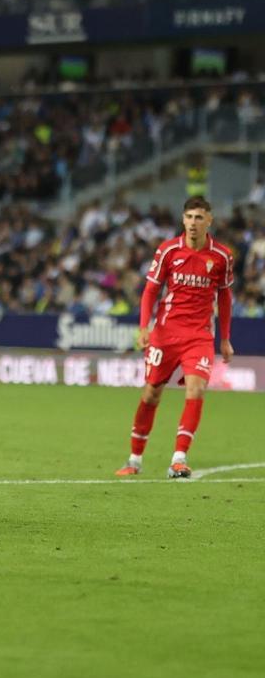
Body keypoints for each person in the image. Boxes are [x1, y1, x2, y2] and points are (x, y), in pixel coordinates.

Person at [115, 195, 235, 478]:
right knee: (151, 393)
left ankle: (179, 458)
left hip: (199, 336)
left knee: (196, 389)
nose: (193, 223)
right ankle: (134, 459)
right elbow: (150, 290)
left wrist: (225, 338)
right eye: (189, 217)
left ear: (209, 221)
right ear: (183, 219)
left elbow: (225, 296)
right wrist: (144, 327)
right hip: (165, 333)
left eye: (199, 217)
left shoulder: (222, 256)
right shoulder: (168, 250)